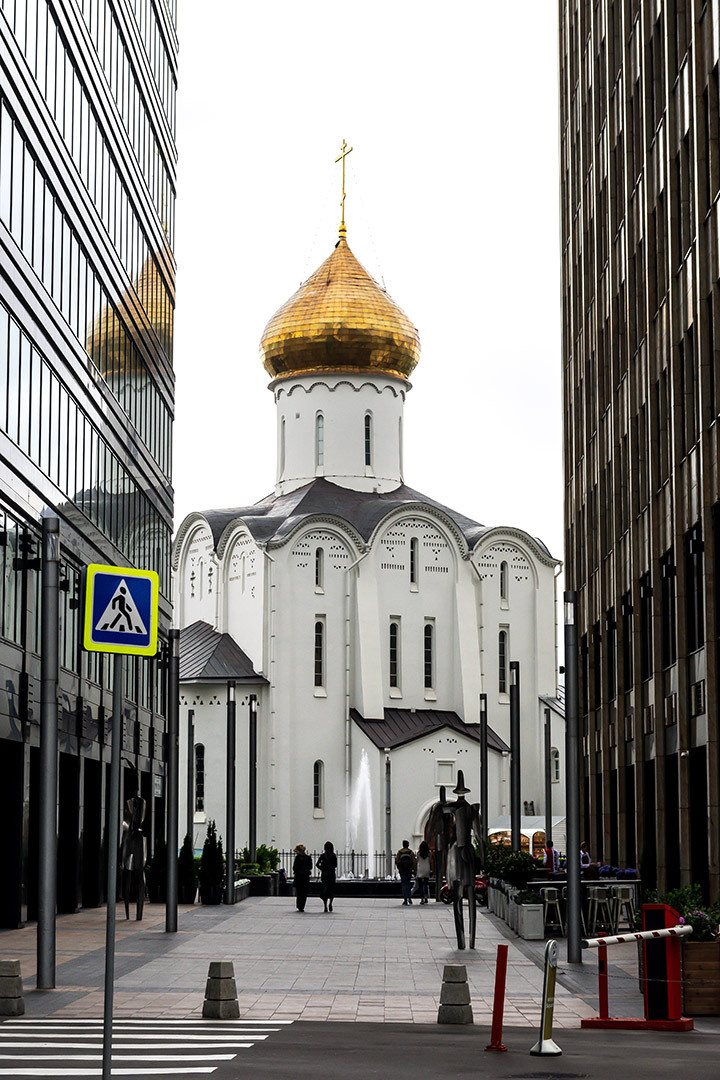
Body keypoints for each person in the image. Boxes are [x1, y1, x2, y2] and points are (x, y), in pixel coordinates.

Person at [316, 840, 337, 912]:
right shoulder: (333, 855)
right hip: (331, 874)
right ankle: (330, 903)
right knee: (331, 888)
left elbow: (317, 864)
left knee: (325, 889)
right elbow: (335, 865)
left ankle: (325, 905)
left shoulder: (322, 855)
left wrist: (322, 868)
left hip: (325, 874)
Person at [292, 844, 313, 912]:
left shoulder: (297, 858)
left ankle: (299, 905)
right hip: (305, 876)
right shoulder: (308, 858)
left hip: (298, 876)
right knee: (304, 892)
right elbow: (310, 867)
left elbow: (294, 867)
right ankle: (302, 905)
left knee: (299, 892)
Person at [395, 840, 417, 905]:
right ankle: (409, 898)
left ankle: (405, 899)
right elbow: (414, 862)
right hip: (409, 870)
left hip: (402, 871)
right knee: (408, 884)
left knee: (404, 884)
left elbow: (396, 861)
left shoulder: (400, 852)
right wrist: (414, 870)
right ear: (408, 845)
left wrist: (399, 867)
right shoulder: (411, 852)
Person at [415, 840, 432, 904]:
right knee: (425, 884)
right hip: (426, 869)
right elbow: (430, 860)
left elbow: (417, 860)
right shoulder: (429, 853)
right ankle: (426, 896)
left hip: (420, 869)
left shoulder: (419, 853)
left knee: (420, 885)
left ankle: (422, 898)